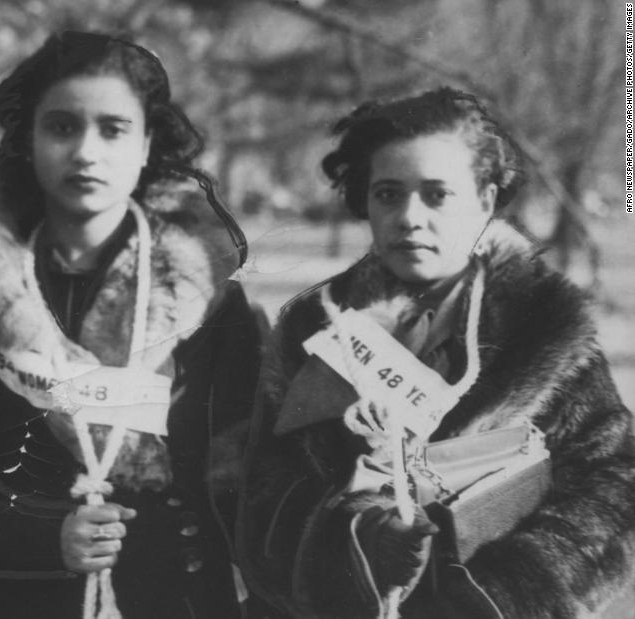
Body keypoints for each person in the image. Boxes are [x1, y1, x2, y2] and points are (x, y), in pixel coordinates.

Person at [0, 30, 263, 619]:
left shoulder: (214, 311)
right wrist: (42, 536)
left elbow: (252, 479)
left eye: (113, 129)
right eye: (62, 127)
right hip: (21, 597)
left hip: (176, 598)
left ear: (146, 145)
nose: (86, 152)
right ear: (27, 142)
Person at [237, 86, 635, 618]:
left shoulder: (545, 326)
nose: (409, 216)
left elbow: (614, 484)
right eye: (388, 194)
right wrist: (356, 540)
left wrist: (510, 585)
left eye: (437, 194)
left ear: (486, 200)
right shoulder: (314, 325)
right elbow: (263, 496)